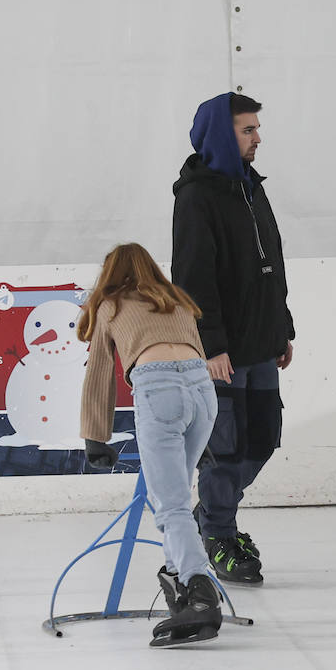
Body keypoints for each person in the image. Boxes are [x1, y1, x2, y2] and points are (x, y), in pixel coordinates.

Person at [172, 91, 294, 587]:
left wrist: (282, 328)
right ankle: (220, 532)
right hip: (224, 351)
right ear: (225, 135)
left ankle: (210, 514)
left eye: (257, 128)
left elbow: (272, 266)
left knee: (262, 440)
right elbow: (192, 278)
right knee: (227, 447)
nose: (258, 138)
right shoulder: (197, 196)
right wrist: (211, 344)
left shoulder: (251, 188)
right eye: (248, 130)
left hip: (262, 342)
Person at [78, 243, 222, 647]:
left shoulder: (111, 303)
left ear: (110, 273)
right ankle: (179, 586)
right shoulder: (177, 300)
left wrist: (95, 435)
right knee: (176, 497)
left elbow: (100, 372)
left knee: (171, 504)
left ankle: (200, 591)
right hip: (203, 395)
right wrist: (201, 435)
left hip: (160, 391)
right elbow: (195, 359)